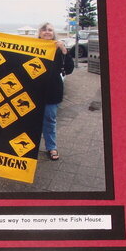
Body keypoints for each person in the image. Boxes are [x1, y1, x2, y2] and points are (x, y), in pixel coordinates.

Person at [37, 22, 74, 161]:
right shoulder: (31, 47)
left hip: (52, 92)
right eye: (44, 30)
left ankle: (51, 147)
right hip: (33, 92)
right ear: (40, 33)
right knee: (31, 121)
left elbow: (69, 69)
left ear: (54, 33)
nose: (47, 32)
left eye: (50, 30)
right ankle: (29, 148)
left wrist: (64, 50)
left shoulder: (59, 49)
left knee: (49, 120)